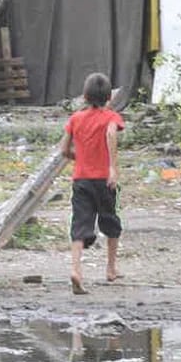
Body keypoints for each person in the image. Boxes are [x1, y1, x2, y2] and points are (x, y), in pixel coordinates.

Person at [59, 73, 124, 295]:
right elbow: (111, 134)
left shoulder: (75, 119)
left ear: (85, 96)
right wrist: (113, 167)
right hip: (104, 181)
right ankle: (111, 268)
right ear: (108, 97)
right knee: (111, 223)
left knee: (79, 226)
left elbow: (63, 150)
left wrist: (78, 157)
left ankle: (76, 270)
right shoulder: (111, 117)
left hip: (81, 180)